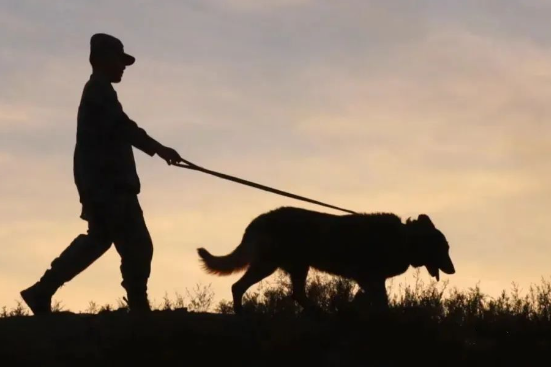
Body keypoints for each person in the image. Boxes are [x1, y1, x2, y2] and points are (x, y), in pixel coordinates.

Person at [20, 33, 193, 314]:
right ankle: (138, 306)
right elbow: (123, 127)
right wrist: (159, 149)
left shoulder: (99, 90)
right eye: (119, 60)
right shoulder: (98, 90)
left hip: (99, 183)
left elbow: (119, 128)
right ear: (100, 60)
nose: (123, 66)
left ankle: (41, 290)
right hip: (109, 185)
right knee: (137, 244)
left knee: (98, 241)